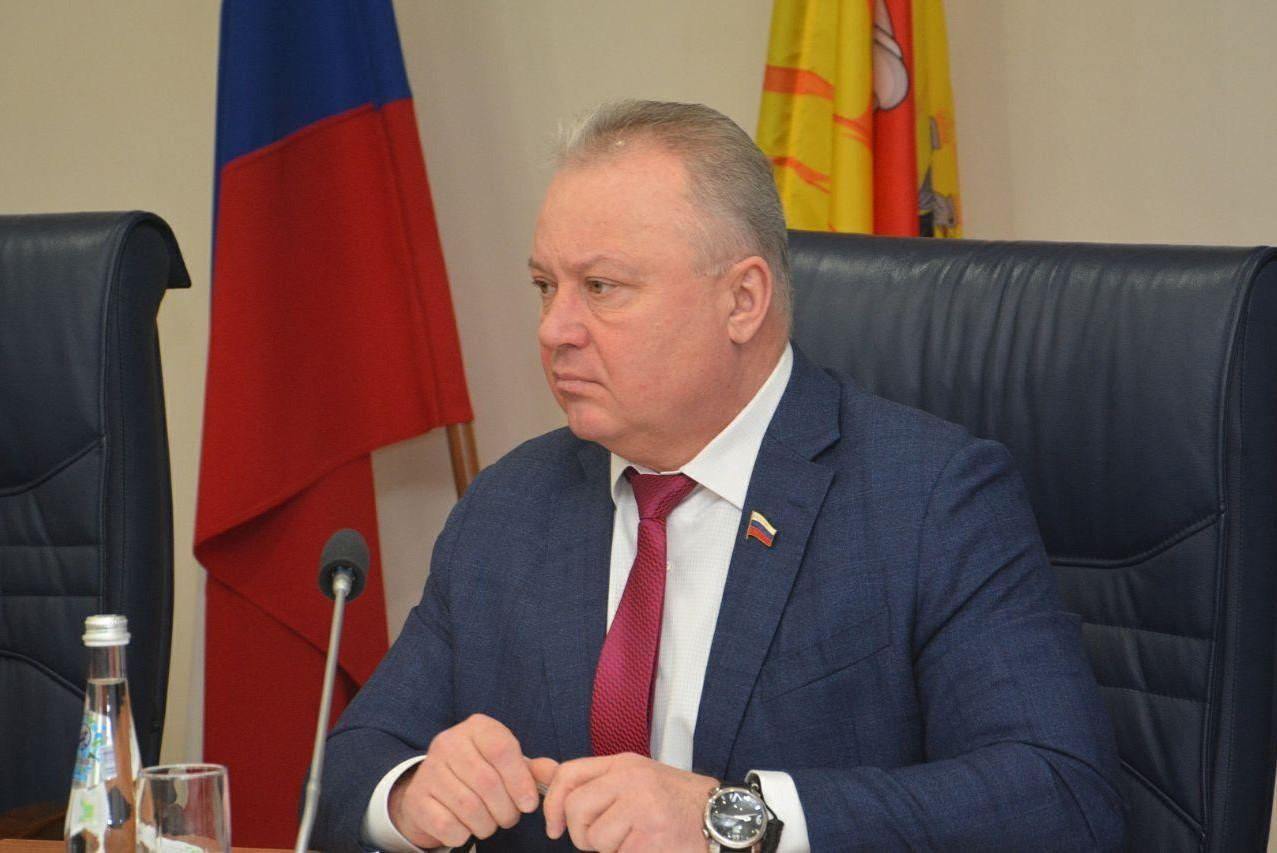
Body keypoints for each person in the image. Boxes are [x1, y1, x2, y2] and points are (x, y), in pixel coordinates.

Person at [314, 100, 1125, 852]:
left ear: (742, 300)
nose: (555, 328)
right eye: (544, 286)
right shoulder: (509, 504)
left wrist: (731, 819)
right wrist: (412, 793)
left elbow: (1060, 795)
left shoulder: (928, 497)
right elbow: (346, 771)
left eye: (600, 287)